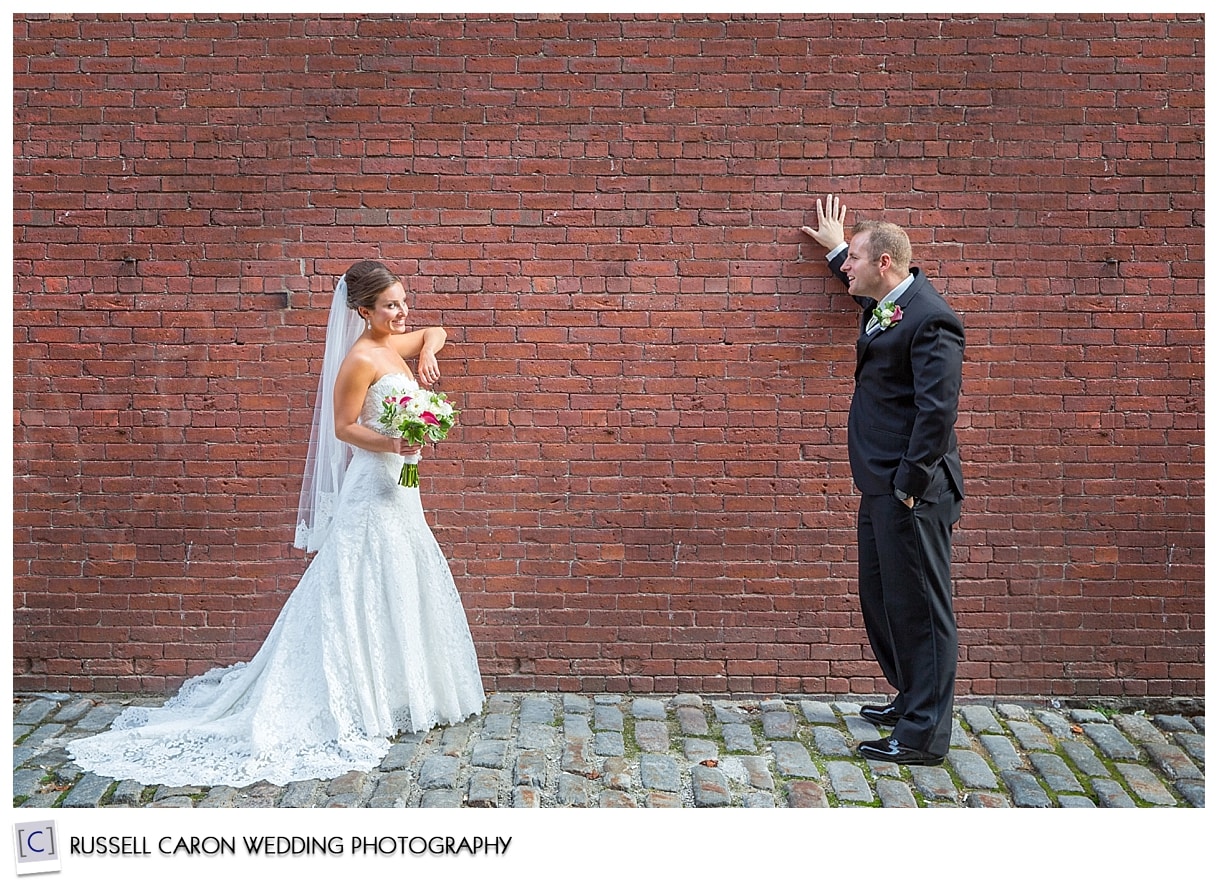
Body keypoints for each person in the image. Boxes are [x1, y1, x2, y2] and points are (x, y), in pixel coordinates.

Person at [68, 260, 485, 787]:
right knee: (354, 579)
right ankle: (349, 692)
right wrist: (394, 442)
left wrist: (426, 350)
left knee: (400, 574)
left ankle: (398, 690)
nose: (403, 313)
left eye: (404, 301)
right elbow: (342, 428)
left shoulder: (395, 344)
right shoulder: (360, 358)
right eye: (391, 305)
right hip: (372, 485)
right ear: (363, 311)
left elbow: (437, 332)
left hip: (401, 488)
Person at [801, 196, 964, 766]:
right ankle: (910, 698)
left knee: (921, 609)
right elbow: (870, 306)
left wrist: (909, 485)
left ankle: (922, 736)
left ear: (886, 264)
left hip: (912, 491)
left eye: (855, 260)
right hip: (882, 485)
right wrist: (837, 247)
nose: (848, 267)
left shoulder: (932, 319)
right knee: (885, 598)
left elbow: (937, 412)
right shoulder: (890, 303)